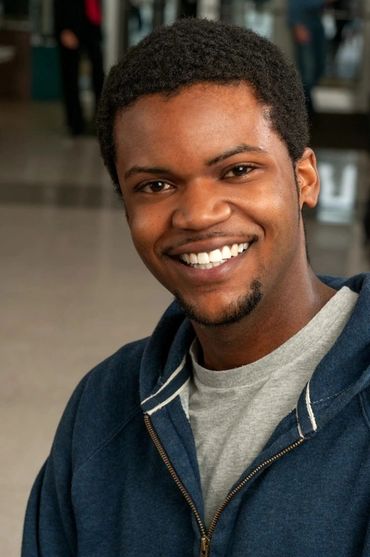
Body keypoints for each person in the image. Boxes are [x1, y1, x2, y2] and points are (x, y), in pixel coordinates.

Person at [22, 18, 370, 557]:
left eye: (237, 170)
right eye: (155, 185)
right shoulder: (102, 407)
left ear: (304, 178)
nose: (199, 215)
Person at [54, 0, 105, 135]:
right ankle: (75, 124)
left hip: (92, 25)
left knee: (99, 74)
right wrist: (63, 28)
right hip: (70, 25)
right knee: (70, 77)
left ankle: (101, 121)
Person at [287, 0, 328, 115]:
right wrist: (296, 24)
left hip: (316, 23)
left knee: (319, 67)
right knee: (307, 71)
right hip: (303, 24)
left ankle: (306, 107)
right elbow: (294, 3)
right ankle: (306, 109)